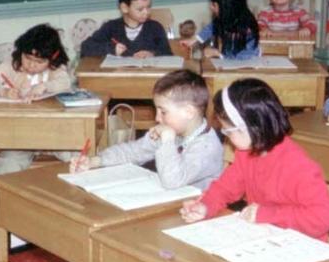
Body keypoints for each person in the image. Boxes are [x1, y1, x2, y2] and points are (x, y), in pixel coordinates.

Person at [179, 78, 329, 241]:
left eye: (228, 131)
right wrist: (206, 205)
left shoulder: (297, 166)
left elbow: (322, 218)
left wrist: (267, 214)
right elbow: (226, 188)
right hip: (268, 238)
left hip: (304, 245)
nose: (227, 137)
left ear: (253, 127)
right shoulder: (246, 153)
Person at [70, 69, 223, 190]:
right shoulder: (174, 131)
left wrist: (167, 141)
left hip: (198, 210)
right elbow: (133, 151)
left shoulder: (206, 146)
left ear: (189, 112)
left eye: (163, 112)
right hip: (174, 203)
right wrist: (95, 161)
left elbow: (173, 180)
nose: (157, 118)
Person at [0, 24, 72, 174]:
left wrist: (45, 86)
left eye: (39, 62)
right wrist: (3, 92)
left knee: (77, 157)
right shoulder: (11, 65)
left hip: (53, 134)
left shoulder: (56, 68)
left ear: (52, 58)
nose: (31, 65)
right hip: (20, 137)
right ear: (20, 52)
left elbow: (65, 83)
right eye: (27, 58)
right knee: (4, 168)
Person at [80, 0, 172, 58]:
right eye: (140, 9)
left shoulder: (155, 28)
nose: (146, 12)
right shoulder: (111, 27)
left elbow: (167, 53)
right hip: (119, 77)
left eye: (148, 7)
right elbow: (86, 47)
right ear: (124, 8)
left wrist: (152, 54)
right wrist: (112, 49)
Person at [181, 0, 259, 59]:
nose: (211, 7)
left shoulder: (248, 30)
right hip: (228, 64)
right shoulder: (224, 19)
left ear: (227, 7)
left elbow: (243, 59)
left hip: (246, 68)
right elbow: (211, 27)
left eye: (214, 4)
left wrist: (218, 54)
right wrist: (194, 39)